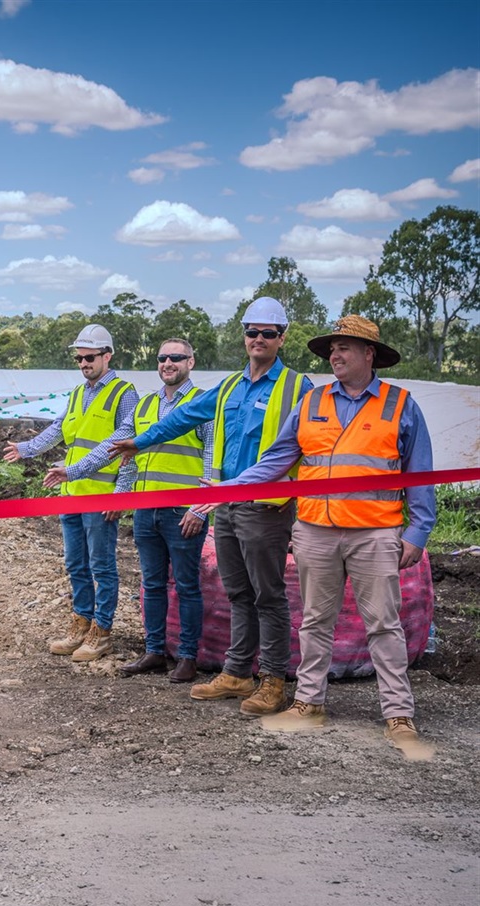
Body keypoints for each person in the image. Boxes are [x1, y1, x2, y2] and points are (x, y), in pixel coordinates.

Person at [232, 316, 436, 759]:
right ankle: (309, 704)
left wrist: (417, 532)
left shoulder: (401, 405)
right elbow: (278, 458)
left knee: (383, 624)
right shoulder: (311, 401)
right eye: (331, 349)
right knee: (314, 622)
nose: (334, 356)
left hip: (375, 534)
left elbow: (421, 475)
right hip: (315, 532)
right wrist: (235, 488)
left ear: (369, 355)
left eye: (344, 348)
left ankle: (398, 714)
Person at [111, 297, 311, 715]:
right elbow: (181, 418)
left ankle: (272, 679)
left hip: (265, 506)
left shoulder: (297, 387)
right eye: (252, 331)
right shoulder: (229, 388)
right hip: (227, 505)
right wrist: (139, 441)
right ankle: (238, 672)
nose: (259, 339)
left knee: (268, 595)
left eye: (268, 333)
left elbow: (311, 447)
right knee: (238, 591)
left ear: (282, 338)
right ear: (244, 336)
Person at [4, 324, 138, 662]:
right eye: (79, 358)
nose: (83, 363)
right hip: (72, 494)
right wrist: (27, 448)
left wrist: (120, 494)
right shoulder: (80, 393)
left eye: (89, 357)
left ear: (107, 356)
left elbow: (119, 446)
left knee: (102, 566)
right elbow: (58, 429)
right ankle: (81, 622)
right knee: (76, 564)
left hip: (101, 495)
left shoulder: (125, 393)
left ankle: (101, 630)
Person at [117, 339, 214, 684]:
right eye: (162, 358)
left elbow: (212, 455)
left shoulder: (201, 403)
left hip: (182, 512)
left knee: (187, 585)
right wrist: (120, 495)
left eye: (176, 357)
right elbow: (126, 453)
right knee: (152, 583)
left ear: (191, 361)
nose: (168, 363)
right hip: (146, 509)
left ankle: (188, 657)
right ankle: (155, 651)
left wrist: (200, 508)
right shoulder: (145, 405)